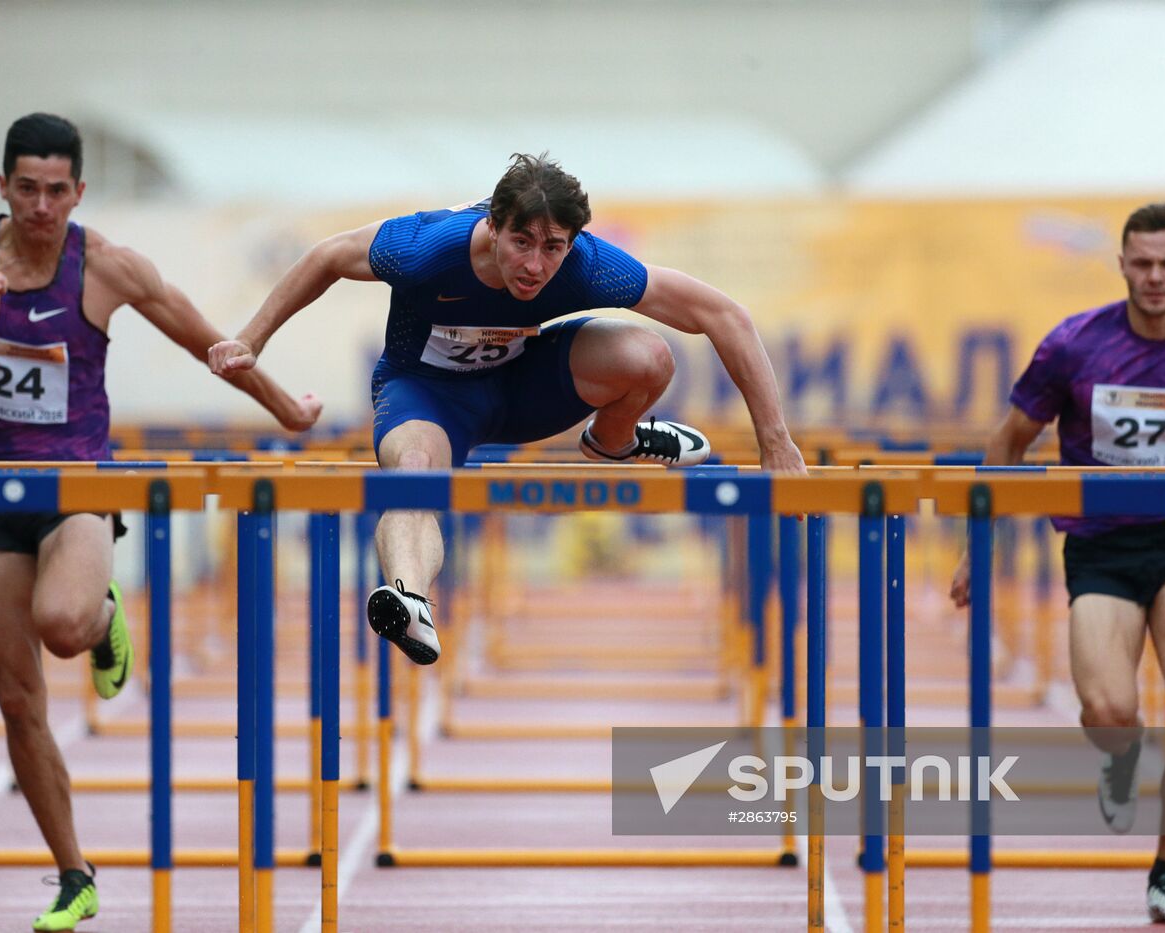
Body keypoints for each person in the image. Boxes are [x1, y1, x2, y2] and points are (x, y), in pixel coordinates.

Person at [0, 113, 321, 932]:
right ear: (2, 187)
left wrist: (287, 407)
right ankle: (73, 873)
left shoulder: (108, 266)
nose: (42, 206)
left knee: (64, 622)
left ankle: (106, 616)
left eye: (57, 191)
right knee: (18, 699)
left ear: (78, 192)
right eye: (27, 189)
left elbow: (208, 342)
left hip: (77, 482)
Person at [210, 152, 806, 666]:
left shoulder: (588, 265)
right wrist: (252, 339)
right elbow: (326, 257)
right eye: (522, 242)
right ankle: (410, 599)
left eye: (553, 248)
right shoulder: (425, 248)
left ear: (571, 243)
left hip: (523, 387)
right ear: (493, 227)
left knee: (648, 355)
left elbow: (724, 315)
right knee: (415, 474)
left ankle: (614, 439)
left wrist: (775, 442)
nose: (534, 266)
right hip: (427, 396)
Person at [950, 202, 1165, 924]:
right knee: (1111, 709)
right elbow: (1007, 444)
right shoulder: (1073, 346)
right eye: (1143, 263)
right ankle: (1120, 756)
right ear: (1121, 263)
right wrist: (979, 543)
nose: (1155, 277)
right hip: (1100, 547)